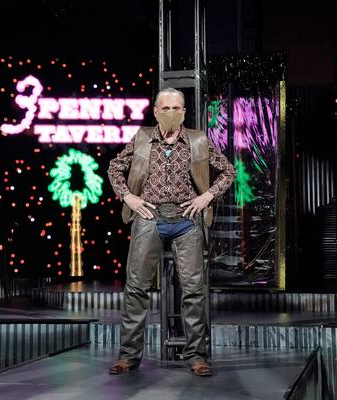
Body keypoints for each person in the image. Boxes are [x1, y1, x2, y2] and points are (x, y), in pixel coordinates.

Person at [107, 87, 236, 377]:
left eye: (177, 108)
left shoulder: (197, 140)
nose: (172, 113)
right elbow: (115, 168)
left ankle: (196, 356)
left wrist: (207, 197)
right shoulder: (142, 139)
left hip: (186, 218)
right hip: (149, 216)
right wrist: (128, 197)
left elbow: (228, 170)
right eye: (166, 108)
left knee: (193, 290)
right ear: (155, 111)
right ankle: (128, 356)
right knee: (137, 287)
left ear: (184, 112)